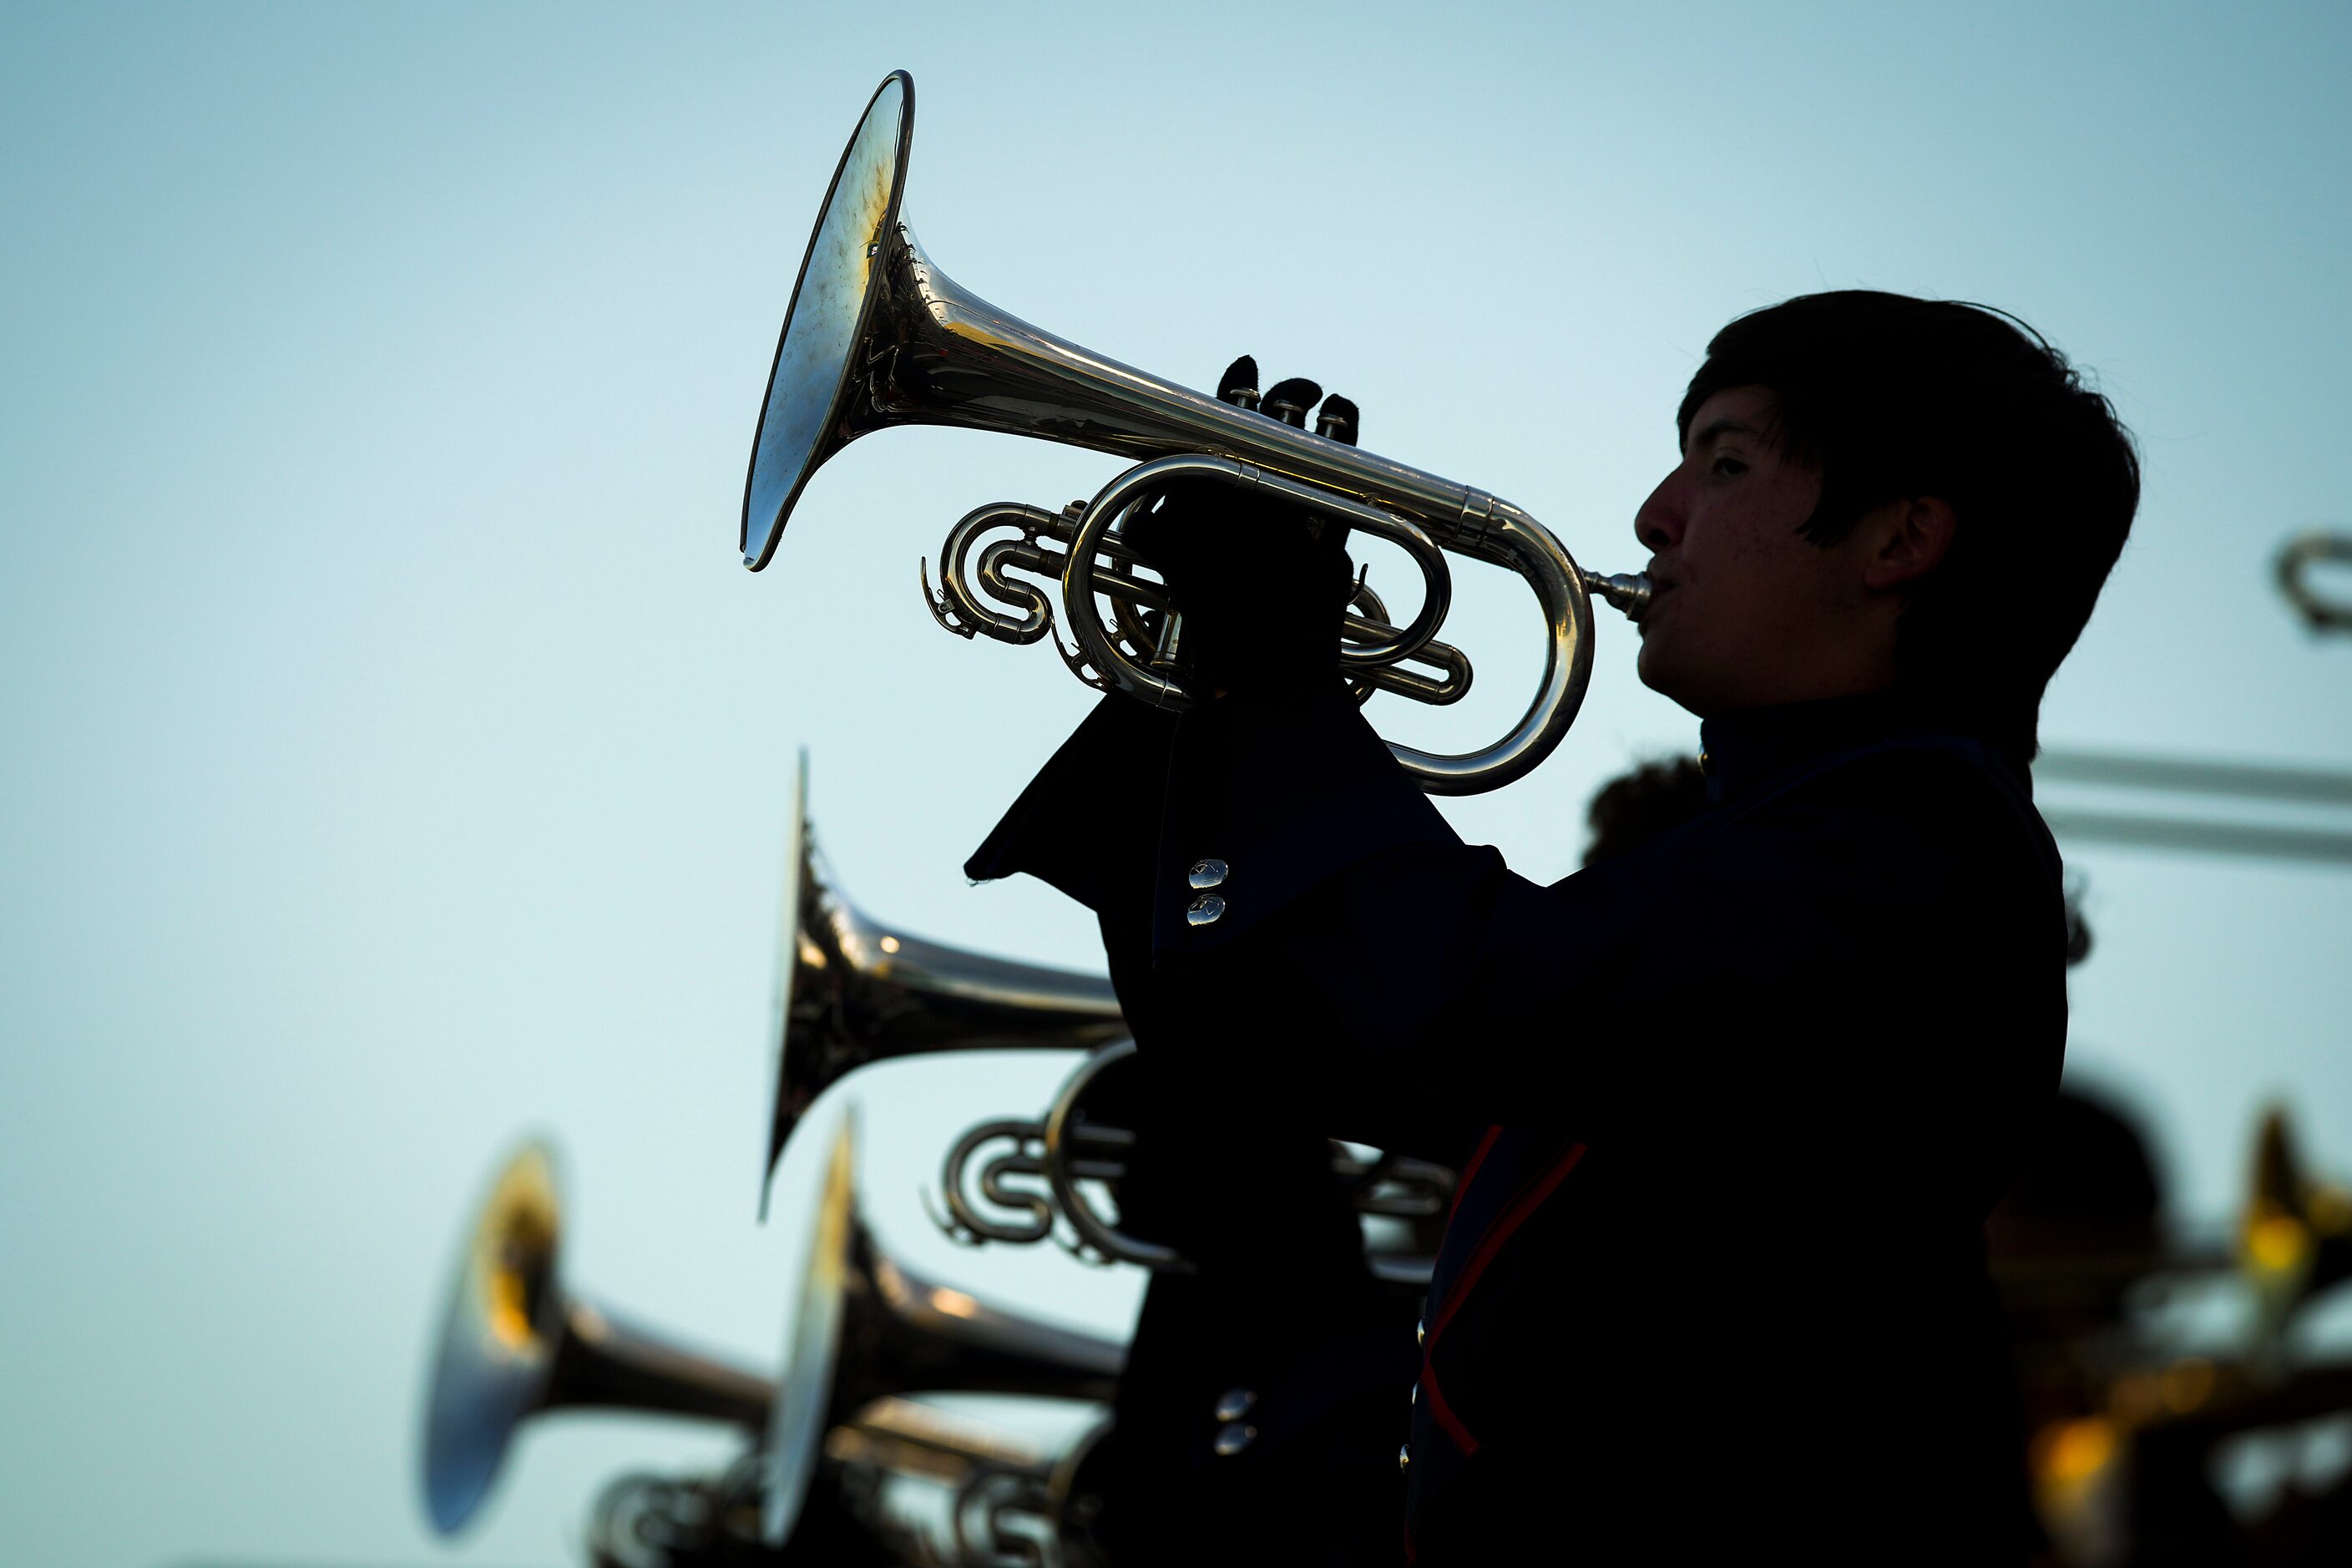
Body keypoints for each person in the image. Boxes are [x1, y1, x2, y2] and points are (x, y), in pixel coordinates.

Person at [972, 291, 2140, 1562]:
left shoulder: (1919, 852)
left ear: (1897, 538)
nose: (1655, 512)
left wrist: (1276, 673)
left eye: (1725, 460)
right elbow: (1277, 1045)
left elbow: (1477, 996)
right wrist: (1201, 686)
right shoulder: (1785, 838)